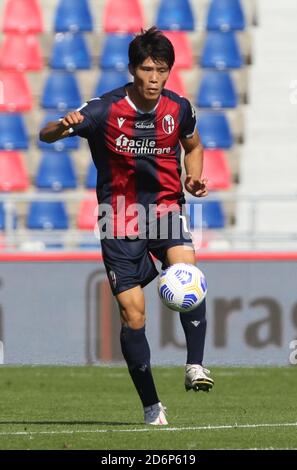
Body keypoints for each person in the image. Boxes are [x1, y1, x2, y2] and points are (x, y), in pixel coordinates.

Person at [39, 26, 214, 426]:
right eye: (147, 69)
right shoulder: (104, 110)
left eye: (162, 70)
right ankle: (152, 406)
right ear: (133, 69)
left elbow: (194, 146)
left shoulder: (178, 108)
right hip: (119, 219)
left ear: (169, 71)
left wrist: (193, 177)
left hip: (166, 208)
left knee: (188, 273)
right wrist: (63, 126)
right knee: (133, 315)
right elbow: (45, 135)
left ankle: (195, 366)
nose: (154, 78)